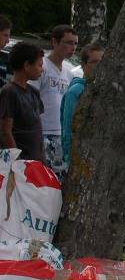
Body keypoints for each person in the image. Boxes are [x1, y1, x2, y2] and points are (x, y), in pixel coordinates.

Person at [31, 25, 78, 178]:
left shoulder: (69, 72)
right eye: (68, 42)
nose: (73, 47)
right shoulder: (41, 66)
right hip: (42, 132)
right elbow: (31, 101)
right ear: (54, 42)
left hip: (61, 134)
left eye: (75, 43)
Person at [60, 43, 104, 169]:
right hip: (77, 159)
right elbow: (68, 128)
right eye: (95, 62)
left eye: (102, 62)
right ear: (84, 66)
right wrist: (69, 159)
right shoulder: (75, 91)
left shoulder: (103, 90)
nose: (99, 66)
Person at [0, 41, 46, 161]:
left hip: (36, 160)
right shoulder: (9, 92)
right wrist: (18, 162)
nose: (42, 69)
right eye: (39, 65)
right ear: (26, 65)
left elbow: (38, 128)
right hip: (21, 163)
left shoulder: (34, 92)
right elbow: (5, 131)